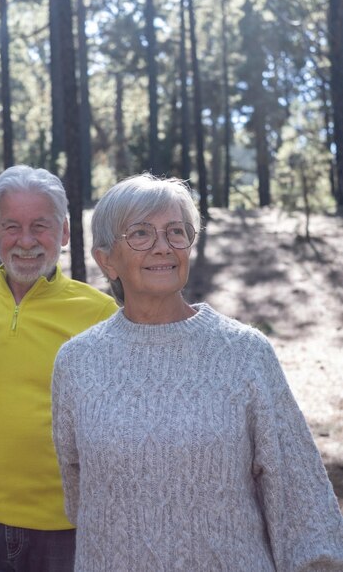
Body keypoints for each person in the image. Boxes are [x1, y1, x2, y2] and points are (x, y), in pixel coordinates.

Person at [52, 172, 343, 571]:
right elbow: (79, 496)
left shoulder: (244, 353)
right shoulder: (77, 362)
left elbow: (301, 502)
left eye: (177, 232)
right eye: (140, 233)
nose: (163, 248)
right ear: (106, 259)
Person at [0, 165, 118, 572]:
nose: (26, 241)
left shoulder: (100, 314)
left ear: (64, 232)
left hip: (65, 530)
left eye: (41, 226)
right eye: (11, 226)